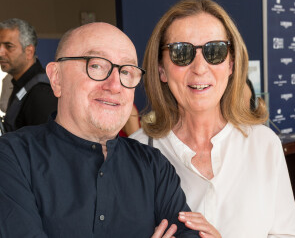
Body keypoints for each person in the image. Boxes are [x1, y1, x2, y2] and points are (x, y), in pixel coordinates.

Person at [0, 22, 199, 238]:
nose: (115, 85)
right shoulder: (11, 158)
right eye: (95, 66)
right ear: (56, 78)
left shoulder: (154, 166)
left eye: (127, 71)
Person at [130, 0, 295, 237]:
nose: (200, 67)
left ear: (231, 64)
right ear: (161, 70)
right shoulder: (136, 153)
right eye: (181, 52)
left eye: (215, 51)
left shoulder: (264, 144)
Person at [0, 18, 57, 132]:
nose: (1, 52)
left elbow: (44, 144)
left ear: (29, 52)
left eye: (8, 46)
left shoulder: (41, 92)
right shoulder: (20, 84)